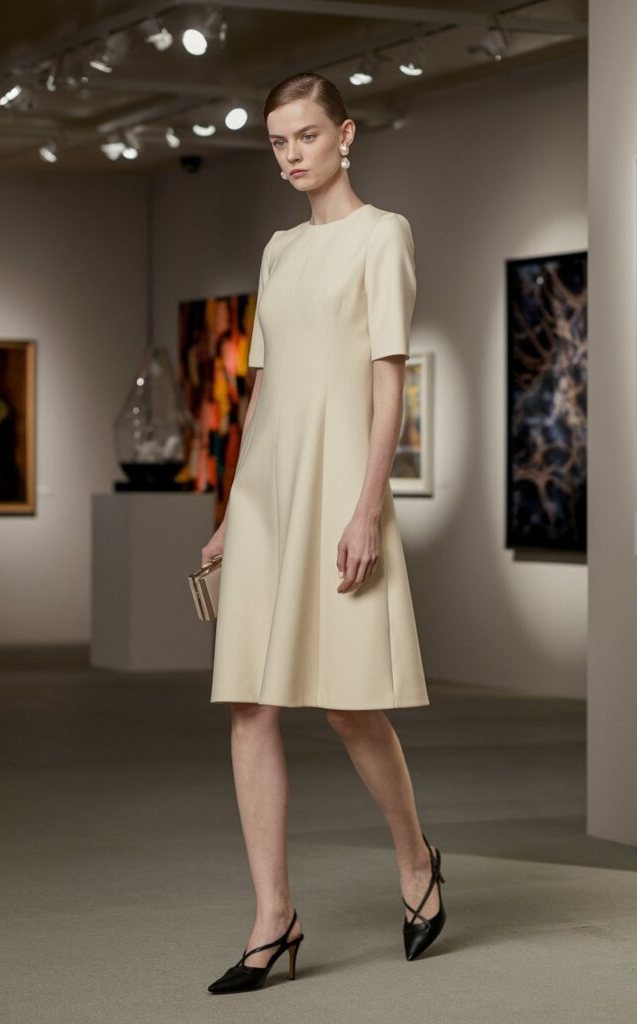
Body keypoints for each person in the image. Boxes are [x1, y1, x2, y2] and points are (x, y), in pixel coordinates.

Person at [201, 72, 446, 995]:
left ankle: (416, 862)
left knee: (349, 702)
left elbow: (391, 380)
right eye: (277, 141)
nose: (292, 154)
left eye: (306, 135)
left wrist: (366, 505)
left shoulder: (384, 236)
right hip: (269, 493)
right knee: (251, 703)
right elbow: (264, 387)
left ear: (345, 135)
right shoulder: (276, 251)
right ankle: (275, 918)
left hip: (342, 487)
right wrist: (233, 508)